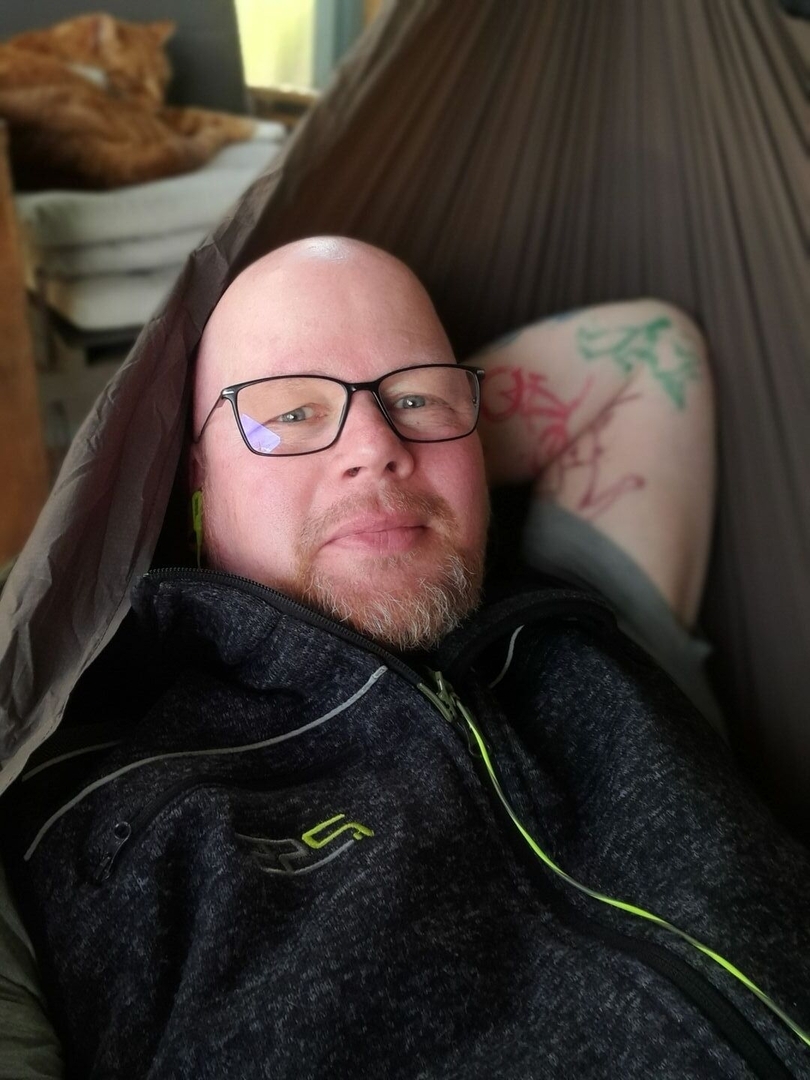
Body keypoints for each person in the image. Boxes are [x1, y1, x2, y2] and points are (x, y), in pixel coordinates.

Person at [1, 237, 808, 1079]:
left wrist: (431, 445)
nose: (375, 443)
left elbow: (647, 353)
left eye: (416, 398)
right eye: (292, 413)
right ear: (195, 480)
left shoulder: (575, 629)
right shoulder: (101, 800)